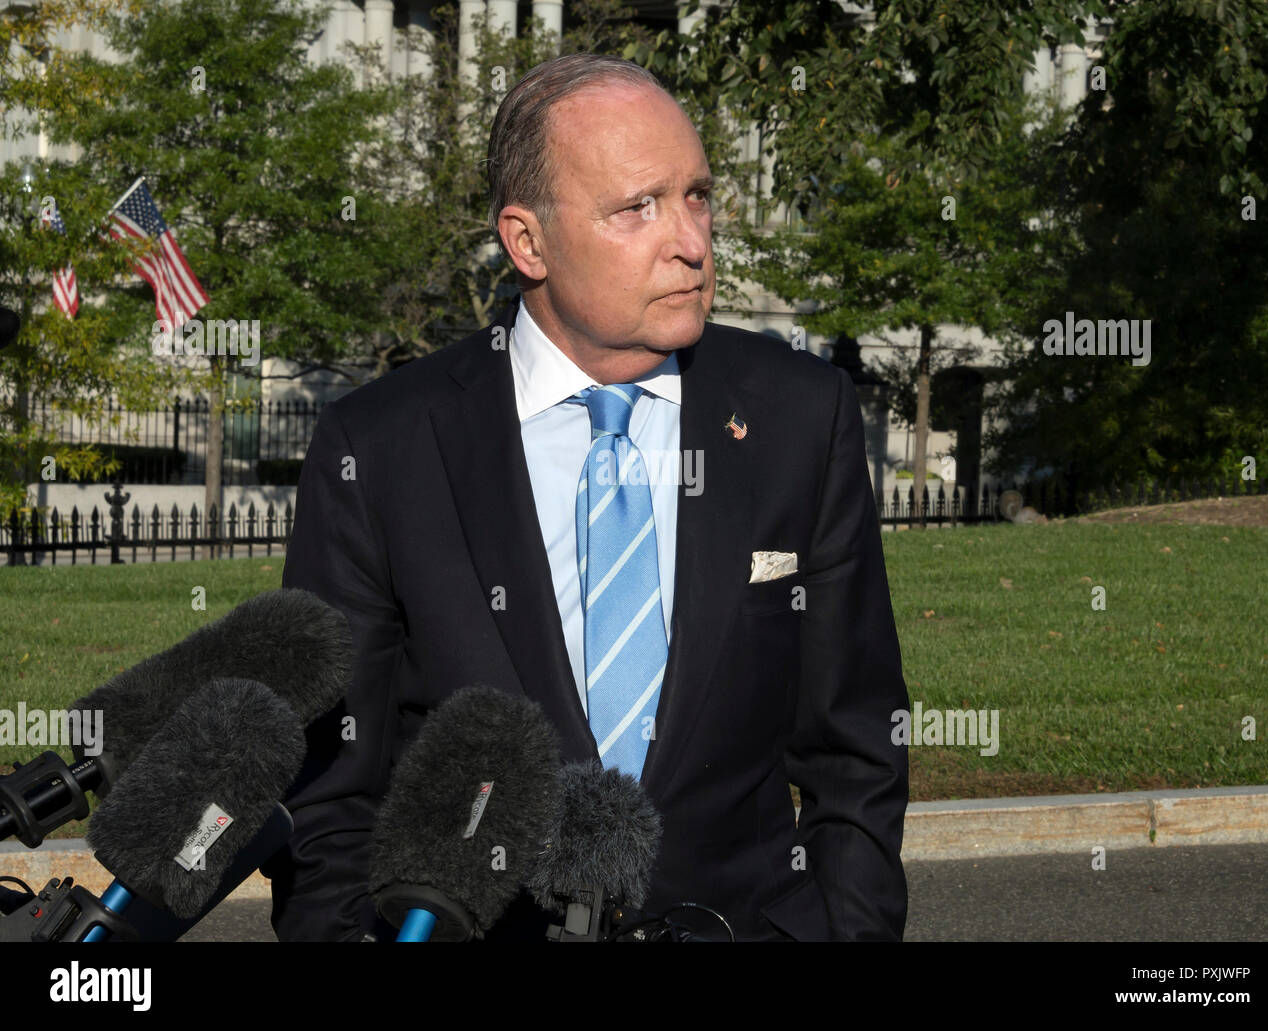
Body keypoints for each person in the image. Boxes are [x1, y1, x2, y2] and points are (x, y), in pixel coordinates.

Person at [265, 52, 909, 941]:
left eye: (696, 195)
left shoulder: (801, 416)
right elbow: (329, 792)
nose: (690, 240)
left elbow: (859, 750)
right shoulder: (380, 448)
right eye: (638, 207)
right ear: (528, 241)